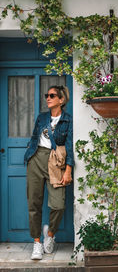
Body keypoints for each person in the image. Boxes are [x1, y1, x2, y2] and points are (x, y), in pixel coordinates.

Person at [24, 85, 74, 260]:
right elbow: (34, 137)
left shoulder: (68, 120)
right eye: (47, 95)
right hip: (36, 158)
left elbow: (69, 146)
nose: (48, 98)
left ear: (61, 100)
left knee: (58, 204)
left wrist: (68, 170)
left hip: (55, 162)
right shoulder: (42, 117)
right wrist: (29, 156)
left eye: (52, 95)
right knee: (34, 204)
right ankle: (37, 242)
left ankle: (50, 235)